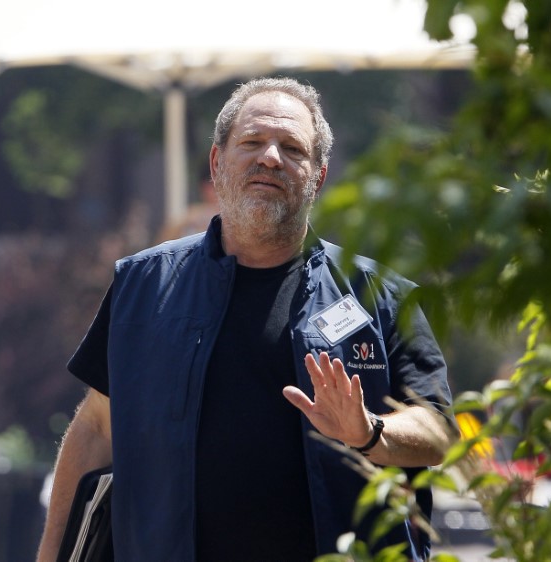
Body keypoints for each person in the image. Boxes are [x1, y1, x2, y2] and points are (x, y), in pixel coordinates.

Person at [36, 76, 456, 562]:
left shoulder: (380, 297)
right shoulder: (143, 286)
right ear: (217, 163)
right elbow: (96, 430)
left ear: (318, 177)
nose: (270, 157)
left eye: (292, 148)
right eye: (252, 142)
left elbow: (438, 433)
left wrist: (369, 432)